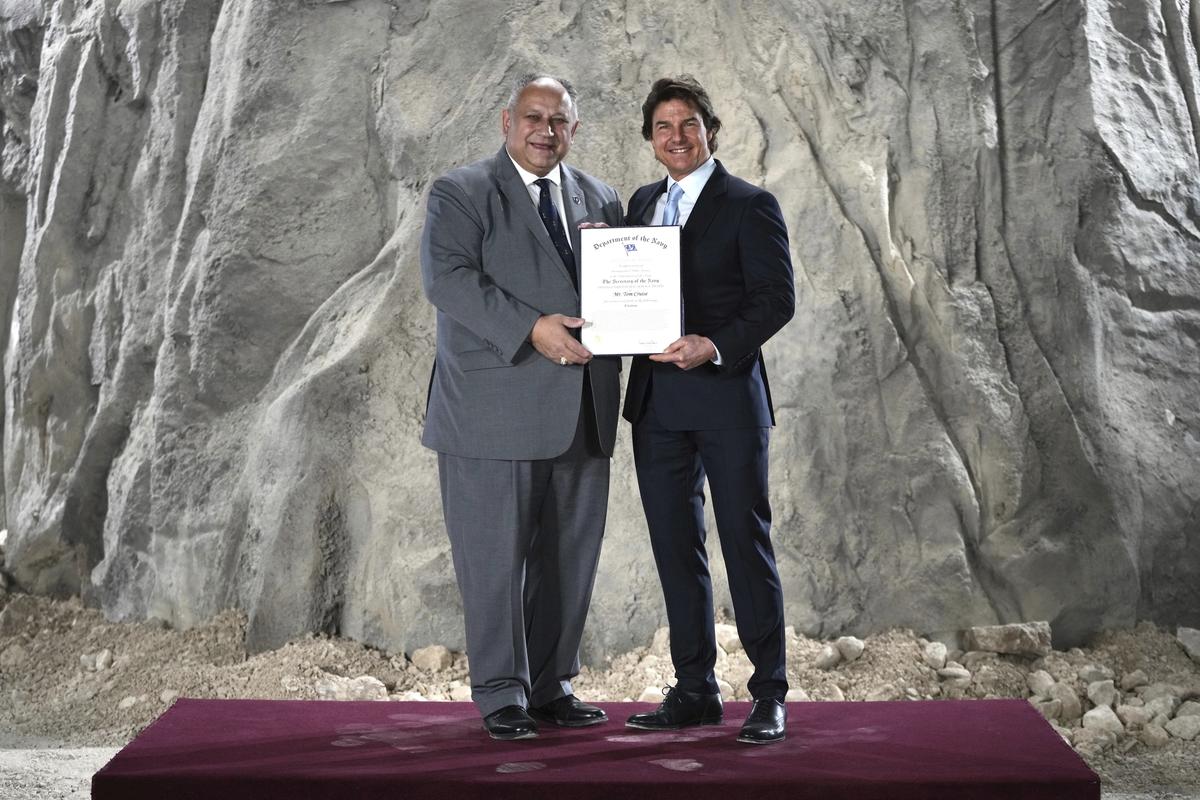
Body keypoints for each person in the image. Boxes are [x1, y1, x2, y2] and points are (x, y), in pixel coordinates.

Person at [420, 74, 623, 740]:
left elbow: (622, 293)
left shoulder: (600, 196)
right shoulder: (462, 192)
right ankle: (501, 692)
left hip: (583, 411)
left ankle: (551, 685)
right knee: (493, 562)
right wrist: (533, 328)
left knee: (569, 558)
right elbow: (448, 280)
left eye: (558, 120)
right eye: (533, 117)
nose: (545, 131)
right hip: (491, 411)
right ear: (507, 121)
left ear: (575, 128)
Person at [621, 76, 796, 744]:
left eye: (688, 124)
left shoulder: (750, 206)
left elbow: (775, 299)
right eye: (663, 127)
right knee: (675, 549)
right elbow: (625, 293)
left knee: (745, 545)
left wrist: (714, 345)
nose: (677, 137)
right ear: (651, 139)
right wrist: (595, 253)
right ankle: (694, 690)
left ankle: (769, 694)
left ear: (710, 130)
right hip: (657, 406)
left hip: (726, 400)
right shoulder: (640, 205)